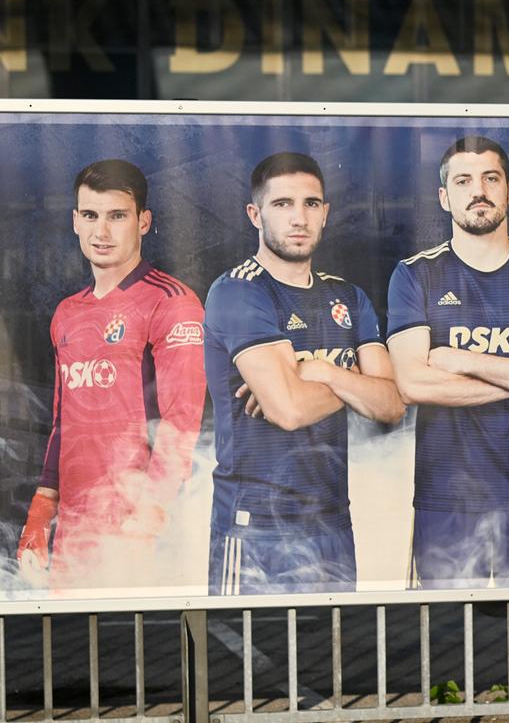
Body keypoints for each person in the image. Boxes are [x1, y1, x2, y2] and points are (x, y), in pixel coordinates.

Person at [387, 135, 509, 589]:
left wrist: (459, 359)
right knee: (441, 643)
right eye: (464, 180)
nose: (479, 190)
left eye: (490, 178)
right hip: (445, 500)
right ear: (444, 197)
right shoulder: (415, 273)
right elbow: (415, 385)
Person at [204, 152, 404, 594]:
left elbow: (391, 405)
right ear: (255, 214)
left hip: (330, 522)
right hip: (255, 529)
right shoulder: (238, 291)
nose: (299, 217)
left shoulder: (348, 298)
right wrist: (349, 375)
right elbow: (288, 409)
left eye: (311, 204)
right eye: (282, 204)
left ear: (325, 213)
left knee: (336, 661)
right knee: (247, 663)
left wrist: (316, 370)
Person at [17, 159, 206, 590]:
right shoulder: (68, 313)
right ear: (75, 222)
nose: (101, 232)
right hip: (75, 534)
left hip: (142, 535)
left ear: (143, 221)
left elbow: (181, 425)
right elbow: (63, 422)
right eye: (90, 215)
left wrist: (147, 523)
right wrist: (41, 511)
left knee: (144, 655)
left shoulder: (172, 302)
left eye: (117, 216)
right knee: (71, 654)